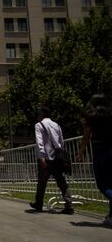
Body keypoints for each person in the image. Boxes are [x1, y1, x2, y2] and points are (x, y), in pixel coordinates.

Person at [30, 107, 74, 214]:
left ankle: (39, 203)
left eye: (39, 113)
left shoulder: (39, 125)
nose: (38, 115)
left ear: (42, 114)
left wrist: (41, 156)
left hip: (46, 157)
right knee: (61, 182)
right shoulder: (56, 125)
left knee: (42, 182)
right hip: (57, 157)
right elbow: (61, 141)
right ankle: (69, 205)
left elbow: (39, 142)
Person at [77, 94, 112, 226]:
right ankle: (111, 217)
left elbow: (86, 137)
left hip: (100, 148)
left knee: (102, 185)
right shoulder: (109, 114)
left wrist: (80, 153)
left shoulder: (90, 117)